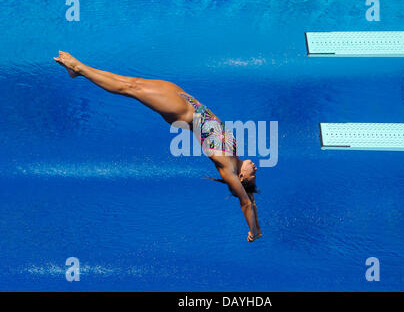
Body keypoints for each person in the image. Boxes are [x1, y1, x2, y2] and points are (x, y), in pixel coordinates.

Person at [53, 51, 261, 242]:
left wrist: (251, 230)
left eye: (254, 175)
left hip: (180, 111)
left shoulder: (229, 170)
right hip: (185, 100)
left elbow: (245, 202)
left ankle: (78, 67)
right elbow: (250, 199)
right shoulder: (235, 158)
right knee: (131, 82)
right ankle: (78, 71)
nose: (256, 169)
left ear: (242, 179)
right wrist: (258, 227)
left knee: (130, 88)